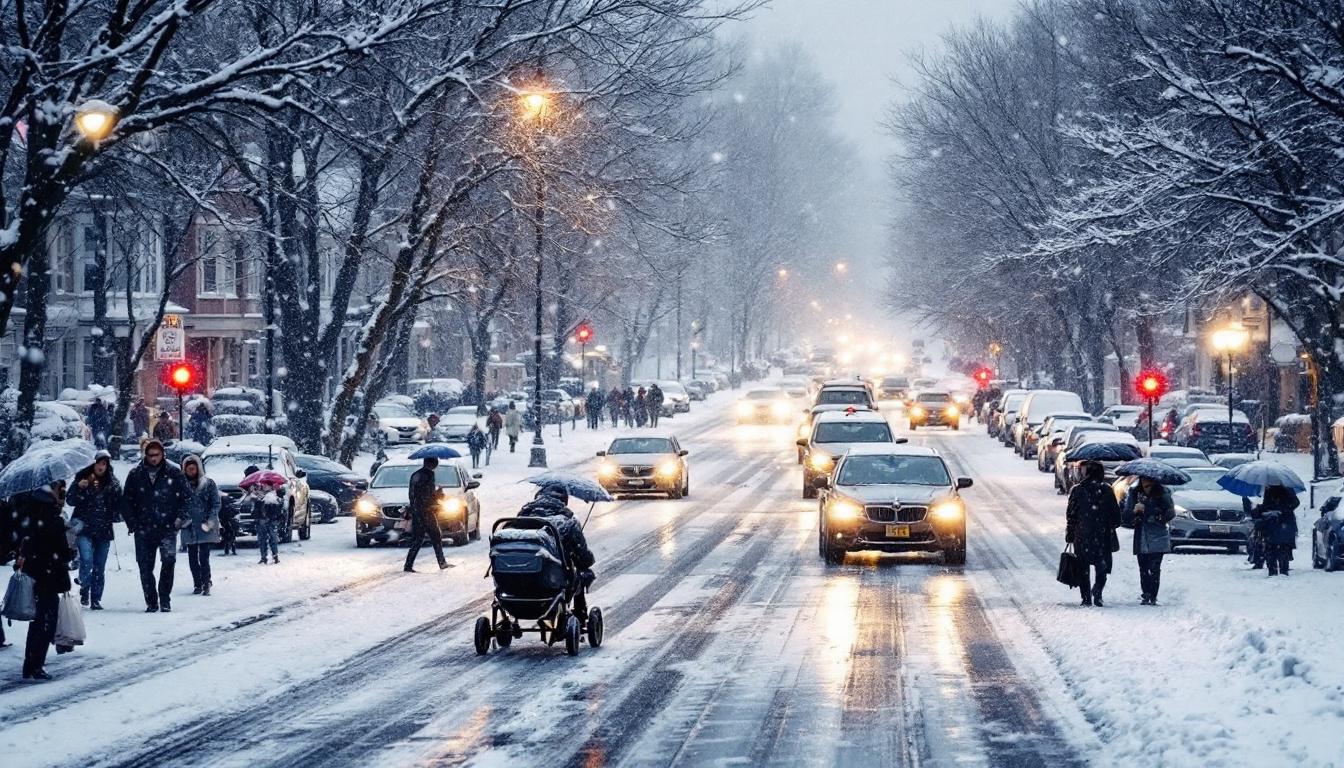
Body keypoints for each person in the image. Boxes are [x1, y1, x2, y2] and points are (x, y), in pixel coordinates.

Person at [123, 440, 191, 612]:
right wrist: (132, 522)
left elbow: (186, 498)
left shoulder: (174, 473)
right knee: (145, 566)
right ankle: (151, 601)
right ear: (146, 455)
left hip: (167, 526)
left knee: (168, 561)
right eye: (150, 455)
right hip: (143, 527)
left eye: (157, 455)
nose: (153, 459)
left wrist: (179, 519)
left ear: (162, 455)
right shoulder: (136, 474)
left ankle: (165, 598)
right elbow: (126, 501)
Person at [15, 483, 72, 680]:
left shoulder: (27, 520)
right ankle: (36, 664)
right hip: (51, 576)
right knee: (47, 622)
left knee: (36, 621)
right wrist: (69, 553)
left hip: (33, 575)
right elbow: (63, 552)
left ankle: (29, 663)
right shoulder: (54, 521)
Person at [517, 485, 596, 610]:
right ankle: (580, 612)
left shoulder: (522, 517)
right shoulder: (567, 521)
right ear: (564, 501)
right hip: (552, 579)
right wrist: (588, 560)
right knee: (582, 574)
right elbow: (583, 555)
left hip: (519, 575)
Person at [68, 450, 122, 609]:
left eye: (104, 464)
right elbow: (70, 500)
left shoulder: (111, 482)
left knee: (100, 565)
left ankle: (96, 599)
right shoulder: (83, 478)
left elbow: (119, 502)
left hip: (103, 529)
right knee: (86, 559)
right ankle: (84, 587)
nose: (101, 466)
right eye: (99, 463)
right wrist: (78, 487)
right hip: (84, 527)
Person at [1065, 461, 1122, 607]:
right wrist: (1109, 525)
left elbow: (1071, 514)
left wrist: (1070, 532)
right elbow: (1116, 516)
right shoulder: (1107, 490)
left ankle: (1086, 598)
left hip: (1082, 535)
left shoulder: (1077, 490)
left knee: (1083, 568)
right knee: (1101, 567)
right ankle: (1097, 590)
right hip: (1102, 536)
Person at [1123, 475, 1175, 605]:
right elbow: (1126, 515)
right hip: (1141, 535)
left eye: (1149, 480)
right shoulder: (1134, 492)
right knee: (1143, 567)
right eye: (1144, 480)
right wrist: (1135, 512)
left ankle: (1153, 595)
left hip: (1158, 535)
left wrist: (1157, 514)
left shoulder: (1163, 493)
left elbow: (1170, 513)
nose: (1146, 482)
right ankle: (1146, 593)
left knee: (1155, 567)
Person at [180, 455, 221, 595]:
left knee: (204, 556)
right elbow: (176, 504)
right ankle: (197, 583)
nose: (191, 471)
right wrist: (181, 518)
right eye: (188, 468)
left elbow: (216, 503)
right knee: (192, 557)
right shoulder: (180, 485)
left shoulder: (208, 484)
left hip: (205, 525)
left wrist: (210, 518)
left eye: (193, 468)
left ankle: (206, 582)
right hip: (189, 525)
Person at [404, 457, 449, 572]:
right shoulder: (428, 475)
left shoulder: (415, 475)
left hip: (416, 511)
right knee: (436, 536)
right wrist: (438, 495)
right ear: (432, 465)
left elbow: (415, 494)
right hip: (426, 511)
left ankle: (408, 565)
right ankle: (441, 562)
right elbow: (427, 495)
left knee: (417, 539)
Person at [1251, 484, 1299, 576]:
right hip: (1273, 524)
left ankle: (1282, 570)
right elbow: (1267, 504)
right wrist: (1263, 510)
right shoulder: (1268, 488)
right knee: (1272, 547)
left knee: (1281, 547)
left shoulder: (1286, 488)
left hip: (1283, 523)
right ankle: (1274, 570)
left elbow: (1294, 503)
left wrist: (1280, 511)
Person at [247, 479, 284, 564]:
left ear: (271, 486)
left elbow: (277, 507)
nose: (264, 486)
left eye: (266, 485)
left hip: (271, 520)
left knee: (272, 538)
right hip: (261, 520)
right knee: (262, 539)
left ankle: (275, 556)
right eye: (263, 485)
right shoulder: (258, 494)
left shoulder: (273, 495)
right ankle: (263, 557)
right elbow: (254, 508)